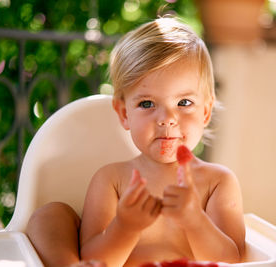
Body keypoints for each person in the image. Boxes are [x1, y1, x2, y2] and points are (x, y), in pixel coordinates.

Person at [26, 17, 245, 267]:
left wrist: (195, 220)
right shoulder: (113, 180)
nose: (167, 119)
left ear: (205, 112)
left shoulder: (216, 183)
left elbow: (233, 260)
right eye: (147, 104)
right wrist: (125, 228)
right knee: (48, 215)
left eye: (184, 103)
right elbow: (95, 260)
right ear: (124, 113)